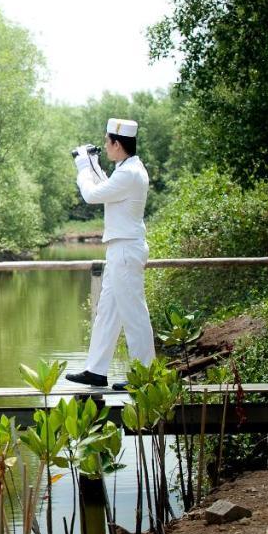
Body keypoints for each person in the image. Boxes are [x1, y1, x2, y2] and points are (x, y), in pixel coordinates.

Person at [65, 119, 154, 391]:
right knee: (107, 312)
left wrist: (83, 166)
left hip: (126, 249)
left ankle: (145, 375)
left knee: (134, 313)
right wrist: (93, 165)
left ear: (117, 144)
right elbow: (106, 189)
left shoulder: (129, 173)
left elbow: (93, 195)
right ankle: (97, 370)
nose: (105, 146)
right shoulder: (126, 170)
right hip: (121, 249)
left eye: (107, 142)